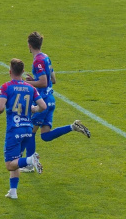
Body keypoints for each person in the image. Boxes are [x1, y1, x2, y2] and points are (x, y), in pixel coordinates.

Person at [18, 31, 90, 173]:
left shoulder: (37, 61)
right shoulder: (46, 57)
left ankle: (29, 164)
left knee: (30, 132)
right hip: (51, 100)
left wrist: (30, 84)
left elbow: (44, 82)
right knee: (45, 135)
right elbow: (53, 80)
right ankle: (72, 127)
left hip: (42, 102)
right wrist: (34, 80)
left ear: (29, 45)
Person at [0, 58, 48, 200]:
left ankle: (31, 160)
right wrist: (33, 109)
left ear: (10, 72)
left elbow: (0, 108)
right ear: (23, 72)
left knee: (10, 165)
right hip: (28, 130)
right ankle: (13, 191)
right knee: (16, 159)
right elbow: (43, 106)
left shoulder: (6, 86)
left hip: (14, 130)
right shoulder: (31, 88)